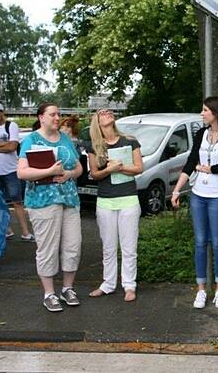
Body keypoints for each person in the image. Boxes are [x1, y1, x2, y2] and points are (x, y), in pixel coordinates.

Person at [171, 96, 218, 309]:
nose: (202, 114)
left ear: (216, 113)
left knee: (217, 242)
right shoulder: (201, 133)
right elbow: (191, 161)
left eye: (205, 110)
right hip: (199, 194)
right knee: (200, 241)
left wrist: (208, 168)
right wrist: (177, 189)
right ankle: (200, 290)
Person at [17, 102, 83, 312]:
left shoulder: (65, 138)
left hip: (69, 199)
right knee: (48, 248)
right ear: (41, 117)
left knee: (73, 245)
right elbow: (21, 173)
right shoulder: (31, 139)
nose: (57, 118)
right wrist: (48, 171)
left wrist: (70, 174)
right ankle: (49, 293)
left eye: (58, 114)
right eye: (53, 114)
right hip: (43, 201)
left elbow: (79, 166)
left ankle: (67, 289)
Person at [86, 109, 143, 302]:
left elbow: (138, 168)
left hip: (128, 199)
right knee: (108, 247)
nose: (107, 113)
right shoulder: (94, 146)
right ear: (97, 122)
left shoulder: (130, 141)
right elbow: (94, 174)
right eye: (102, 113)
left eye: (109, 111)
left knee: (129, 247)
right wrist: (109, 169)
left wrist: (120, 167)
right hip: (105, 201)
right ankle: (108, 284)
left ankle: (129, 285)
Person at [0, 102, 33, 241]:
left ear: (2, 112)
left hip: (10, 170)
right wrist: (3, 143)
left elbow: (12, 147)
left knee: (17, 201)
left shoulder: (11, 126)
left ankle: (26, 232)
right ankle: (6, 230)